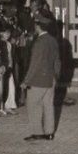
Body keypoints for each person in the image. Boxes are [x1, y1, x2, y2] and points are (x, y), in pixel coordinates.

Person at [22, 13, 60, 141]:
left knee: (33, 105)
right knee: (48, 105)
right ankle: (49, 133)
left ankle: (37, 132)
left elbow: (35, 64)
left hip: (38, 79)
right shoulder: (53, 40)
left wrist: (26, 80)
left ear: (37, 26)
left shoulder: (39, 42)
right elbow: (57, 61)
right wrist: (56, 75)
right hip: (51, 78)